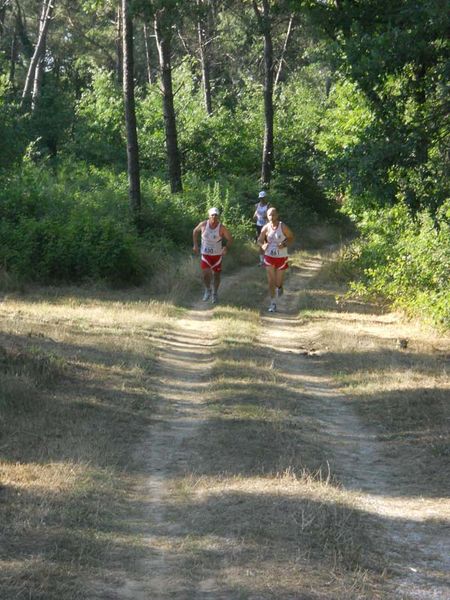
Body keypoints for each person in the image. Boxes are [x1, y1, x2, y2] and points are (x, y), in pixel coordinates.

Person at [257, 206, 294, 313]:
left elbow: (291, 237)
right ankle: (272, 303)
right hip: (269, 257)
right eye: (269, 215)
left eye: (273, 214)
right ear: (267, 217)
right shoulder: (266, 227)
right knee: (270, 281)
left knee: (278, 282)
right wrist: (262, 245)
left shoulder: (283, 226)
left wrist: (284, 244)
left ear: (277, 215)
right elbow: (259, 240)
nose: (271, 217)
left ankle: (280, 286)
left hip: (281, 257)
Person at [192, 207, 233, 304]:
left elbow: (230, 239)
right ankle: (207, 289)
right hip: (206, 255)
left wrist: (225, 248)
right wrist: (195, 245)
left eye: (216, 215)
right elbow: (195, 231)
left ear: (218, 216)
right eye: (212, 215)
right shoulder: (203, 224)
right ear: (209, 216)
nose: (214, 217)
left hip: (217, 256)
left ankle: (215, 293)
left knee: (216, 275)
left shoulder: (221, 227)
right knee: (206, 273)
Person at [253, 190, 270, 266]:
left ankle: (267, 260)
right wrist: (255, 216)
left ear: (265, 197)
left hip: (266, 226)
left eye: (263, 198)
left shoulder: (269, 205)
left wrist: (266, 216)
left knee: (267, 242)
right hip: (259, 226)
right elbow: (255, 214)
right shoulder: (257, 205)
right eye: (260, 198)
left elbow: (271, 215)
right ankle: (261, 261)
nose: (262, 199)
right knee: (260, 242)